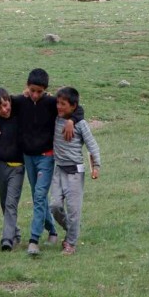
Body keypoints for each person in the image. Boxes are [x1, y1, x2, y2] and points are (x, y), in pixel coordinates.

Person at [0, 68, 83, 256]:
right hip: (27, 157)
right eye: (32, 90)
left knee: (40, 196)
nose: (35, 95)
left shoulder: (51, 103)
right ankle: (53, 229)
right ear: (27, 87)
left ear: (46, 90)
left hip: (46, 156)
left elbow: (78, 108)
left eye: (39, 91)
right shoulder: (18, 102)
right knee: (36, 196)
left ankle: (34, 240)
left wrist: (72, 120)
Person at [50, 87, 101, 255]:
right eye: (58, 103)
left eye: (63, 104)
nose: (59, 107)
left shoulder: (80, 123)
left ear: (73, 106)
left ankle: (70, 243)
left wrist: (96, 166)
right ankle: (72, 228)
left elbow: (92, 145)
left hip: (75, 173)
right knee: (55, 206)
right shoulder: (56, 118)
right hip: (58, 170)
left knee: (73, 210)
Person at [0, 88, 24, 251]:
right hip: (1, 165)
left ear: (9, 100)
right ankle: (15, 233)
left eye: (5, 104)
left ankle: (7, 239)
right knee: (4, 202)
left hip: (18, 166)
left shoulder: (19, 111)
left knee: (11, 203)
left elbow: (22, 98)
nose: (4, 110)